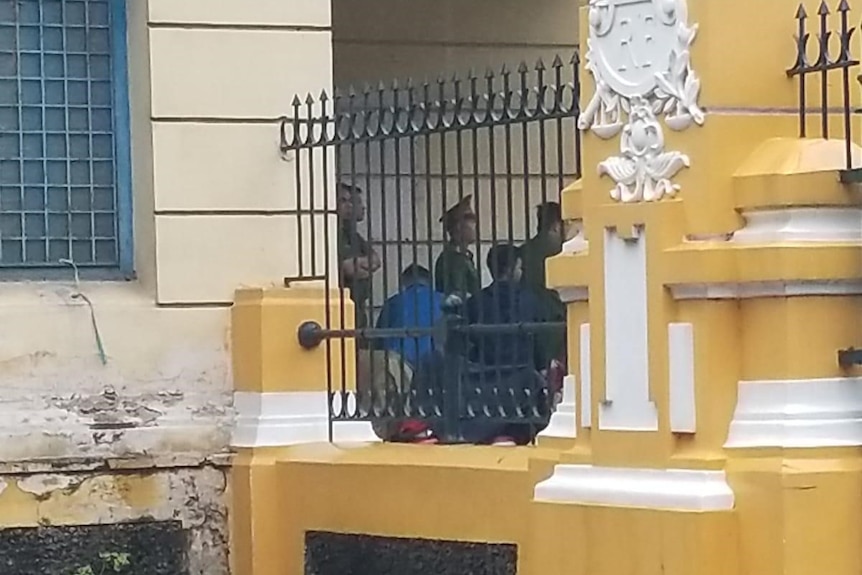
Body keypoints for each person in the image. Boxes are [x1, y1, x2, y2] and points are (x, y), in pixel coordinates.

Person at [461, 244, 553, 445]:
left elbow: (466, 346)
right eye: (519, 268)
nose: (521, 272)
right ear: (512, 269)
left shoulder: (475, 303)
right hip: (524, 385)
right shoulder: (531, 300)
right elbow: (540, 343)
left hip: (485, 385)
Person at [519, 201, 567, 363]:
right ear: (556, 225)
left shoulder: (524, 250)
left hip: (528, 321)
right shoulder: (562, 252)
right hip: (558, 323)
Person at [375, 264, 445, 366]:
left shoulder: (393, 302)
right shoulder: (443, 300)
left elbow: (378, 338)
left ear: (403, 282)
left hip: (399, 362)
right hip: (436, 362)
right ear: (429, 281)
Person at [337, 183, 380, 330]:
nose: (350, 206)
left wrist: (359, 264)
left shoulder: (353, 235)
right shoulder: (333, 234)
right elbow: (349, 268)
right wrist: (362, 265)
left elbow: (376, 261)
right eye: (343, 201)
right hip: (340, 311)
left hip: (358, 311)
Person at [434, 195, 480, 302]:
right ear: (459, 226)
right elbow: (457, 295)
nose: (475, 227)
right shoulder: (454, 259)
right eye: (471, 222)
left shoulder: (461, 255)